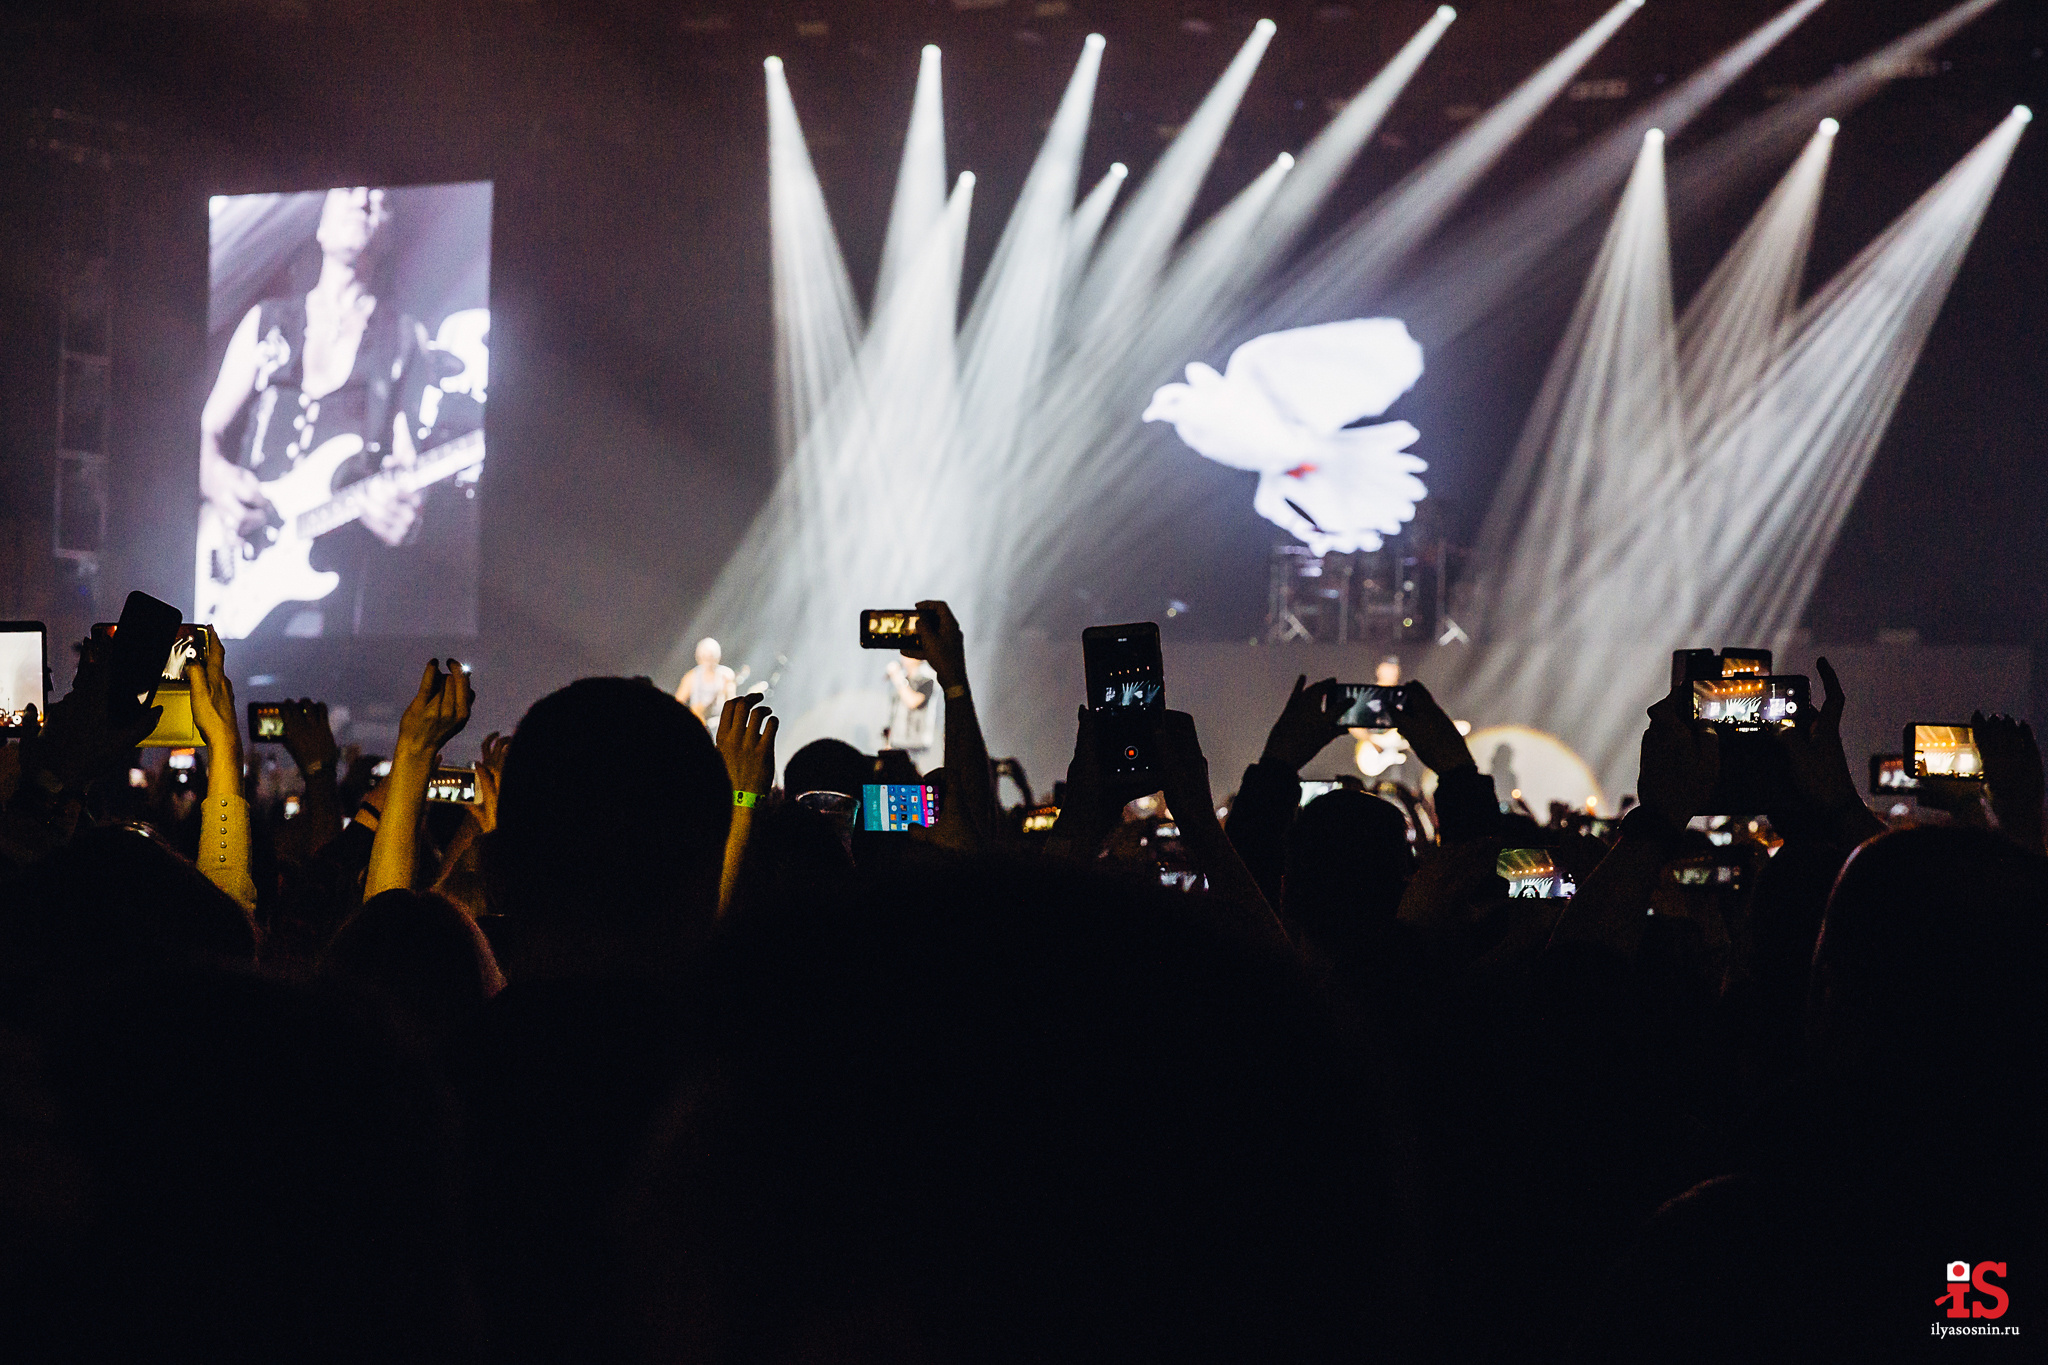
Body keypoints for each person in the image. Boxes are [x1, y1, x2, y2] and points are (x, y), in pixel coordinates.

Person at [197, 187, 478, 639]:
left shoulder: (406, 340)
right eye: (347, 190)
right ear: (320, 224)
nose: (362, 198)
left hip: (321, 580)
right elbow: (204, 432)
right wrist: (215, 479)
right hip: (232, 547)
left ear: (387, 236)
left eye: (378, 197)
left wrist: (404, 514)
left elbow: (407, 470)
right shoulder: (265, 321)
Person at [883, 652, 938, 764]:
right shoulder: (903, 678)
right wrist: (889, 740)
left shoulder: (927, 679)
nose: (903, 657)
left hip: (915, 744)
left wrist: (897, 677)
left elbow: (912, 702)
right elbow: (894, 712)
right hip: (897, 742)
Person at [674, 637, 737, 729]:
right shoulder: (691, 676)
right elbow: (678, 703)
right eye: (704, 657)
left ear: (717, 658)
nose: (708, 661)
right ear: (698, 658)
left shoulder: (726, 675)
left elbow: (732, 703)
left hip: (718, 724)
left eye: (710, 657)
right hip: (697, 724)